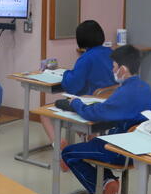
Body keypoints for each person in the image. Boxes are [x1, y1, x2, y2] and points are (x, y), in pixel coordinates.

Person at [56, 45, 151, 194]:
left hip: (120, 150)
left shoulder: (125, 92)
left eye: (114, 67)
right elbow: (115, 109)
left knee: (69, 153)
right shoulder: (144, 87)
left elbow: (94, 113)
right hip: (138, 148)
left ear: (123, 69)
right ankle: (108, 182)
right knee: (94, 143)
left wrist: (76, 103)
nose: (112, 70)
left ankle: (102, 189)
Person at [40, 20, 116, 152]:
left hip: (90, 105)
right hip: (108, 104)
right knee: (74, 105)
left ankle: (59, 147)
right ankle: (90, 140)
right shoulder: (111, 53)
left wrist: (66, 73)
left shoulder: (86, 58)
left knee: (44, 113)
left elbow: (72, 86)